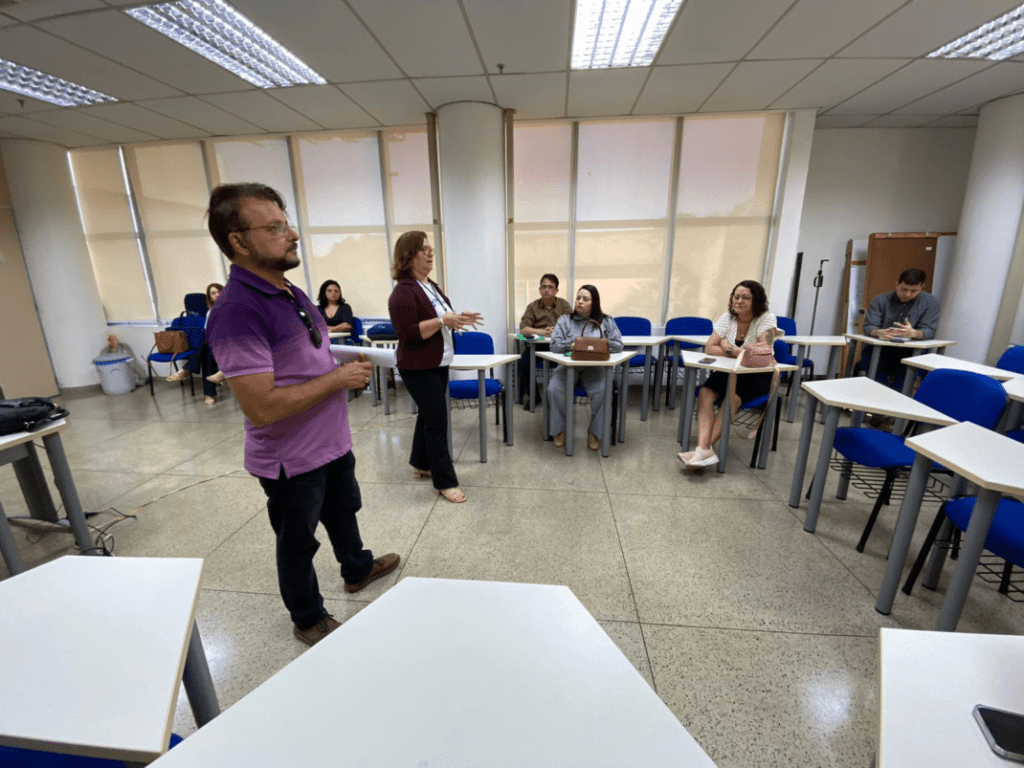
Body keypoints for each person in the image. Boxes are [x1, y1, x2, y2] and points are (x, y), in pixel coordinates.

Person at [204, 182, 399, 647]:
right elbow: (261, 405)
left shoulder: (288, 290)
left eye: (287, 222)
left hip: (330, 440)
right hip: (292, 458)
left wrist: (338, 365)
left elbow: (307, 355)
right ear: (238, 240)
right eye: (274, 227)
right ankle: (308, 617)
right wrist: (338, 379)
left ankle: (356, 569)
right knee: (298, 542)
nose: (291, 234)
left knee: (344, 512)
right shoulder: (236, 311)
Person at [387, 231, 483, 504]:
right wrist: (442, 321)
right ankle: (445, 481)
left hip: (437, 363)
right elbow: (407, 333)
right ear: (408, 256)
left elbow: (441, 318)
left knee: (428, 417)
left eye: (431, 248)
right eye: (423, 249)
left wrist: (458, 318)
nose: (430, 253)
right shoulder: (402, 293)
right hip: (418, 368)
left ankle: (421, 464)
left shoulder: (430, 286)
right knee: (437, 422)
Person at [678, 280, 778, 469]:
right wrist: (737, 352)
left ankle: (702, 449)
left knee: (733, 399)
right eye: (736, 296)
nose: (739, 301)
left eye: (745, 297)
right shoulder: (728, 317)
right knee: (706, 393)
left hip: (757, 373)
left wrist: (729, 348)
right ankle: (704, 450)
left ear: (756, 300)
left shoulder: (767, 318)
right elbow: (710, 347)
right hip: (730, 370)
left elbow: (761, 352)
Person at [547, 285, 623, 451]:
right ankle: (560, 429)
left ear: (594, 303)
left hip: (594, 367)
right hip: (568, 366)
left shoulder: (606, 320)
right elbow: (554, 346)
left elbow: (618, 345)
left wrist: (594, 345)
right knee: (554, 389)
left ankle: (595, 431)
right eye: (578, 298)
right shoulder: (565, 320)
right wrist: (573, 344)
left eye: (585, 299)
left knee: (603, 390)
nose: (580, 302)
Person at [861, 268, 941, 390]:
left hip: (911, 352)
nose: (908, 294)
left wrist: (914, 333)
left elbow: (929, 330)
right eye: (904, 289)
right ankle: (877, 399)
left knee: (904, 382)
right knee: (875, 376)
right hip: (881, 350)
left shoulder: (931, 303)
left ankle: (900, 399)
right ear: (897, 284)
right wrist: (878, 332)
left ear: (922, 287)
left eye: (914, 291)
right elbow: (868, 327)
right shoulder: (880, 300)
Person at [517, 273, 572, 409]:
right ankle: (534, 397)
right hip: (538, 348)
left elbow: (573, 325)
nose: (546, 290)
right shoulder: (532, 306)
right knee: (523, 361)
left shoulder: (563, 305)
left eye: (550, 287)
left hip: (559, 348)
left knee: (572, 360)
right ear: (540, 289)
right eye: (543, 287)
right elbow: (523, 329)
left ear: (556, 290)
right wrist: (542, 331)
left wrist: (558, 330)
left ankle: (562, 396)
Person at [167, 282, 226, 404]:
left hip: (229, 345)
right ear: (209, 297)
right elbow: (207, 331)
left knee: (207, 346)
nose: (217, 295)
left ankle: (186, 370)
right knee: (208, 354)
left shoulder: (231, 307)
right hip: (214, 345)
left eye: (219, 291)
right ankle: (209, 394)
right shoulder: (210, 312)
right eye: (213, 293)